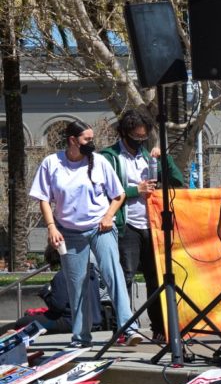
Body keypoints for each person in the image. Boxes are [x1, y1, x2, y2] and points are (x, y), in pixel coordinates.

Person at [29, 120, 138, 348]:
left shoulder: (99, 162)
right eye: (87, 139)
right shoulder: (52, 163)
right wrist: (51, 226)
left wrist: (108, 216)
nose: (92, 143)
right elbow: (43, 199)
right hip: (69, 232)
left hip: (100, 228)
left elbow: (118, 195)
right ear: (72, 140)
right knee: (76, 283)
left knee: (112, 274)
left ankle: (129, 329)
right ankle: (81, 337)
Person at [99, 107, 184, 343]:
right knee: (125, 276)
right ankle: (125, 328)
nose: (140, 141)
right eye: (136, 138)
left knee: (155, 278)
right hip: (127, 225)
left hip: (153, 225)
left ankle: (159, 326)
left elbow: (177, 180)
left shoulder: (148, 156)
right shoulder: (109, 157)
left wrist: (163, 157)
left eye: (143, 137)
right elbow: (104, 192)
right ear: (124, 134)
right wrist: (136, 190)